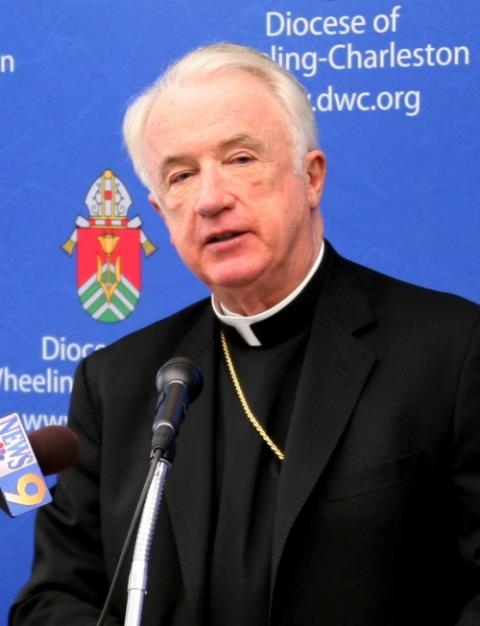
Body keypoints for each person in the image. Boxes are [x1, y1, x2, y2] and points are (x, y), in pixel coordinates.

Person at [10, 43, 480, 626]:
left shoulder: (452, 350)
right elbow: (52, 601)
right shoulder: (117, 384)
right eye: (181, 175)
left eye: (240, 158)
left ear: (310, 177)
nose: (210, 199)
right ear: (161, 214)